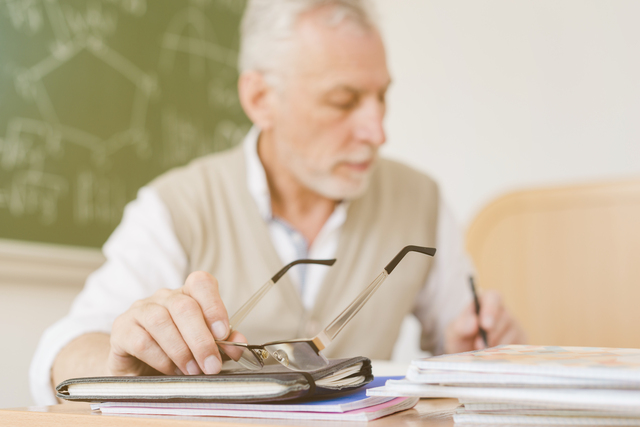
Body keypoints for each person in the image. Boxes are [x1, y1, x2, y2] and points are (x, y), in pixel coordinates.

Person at [30, 0, 526, 405]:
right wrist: (119, 359)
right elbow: (63, 348)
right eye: (344, 101)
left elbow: (465, 351)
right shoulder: (176, 204)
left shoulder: (421, 201)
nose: (377, 131)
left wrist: (471, 355)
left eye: (382, 98)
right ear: (261, 98)